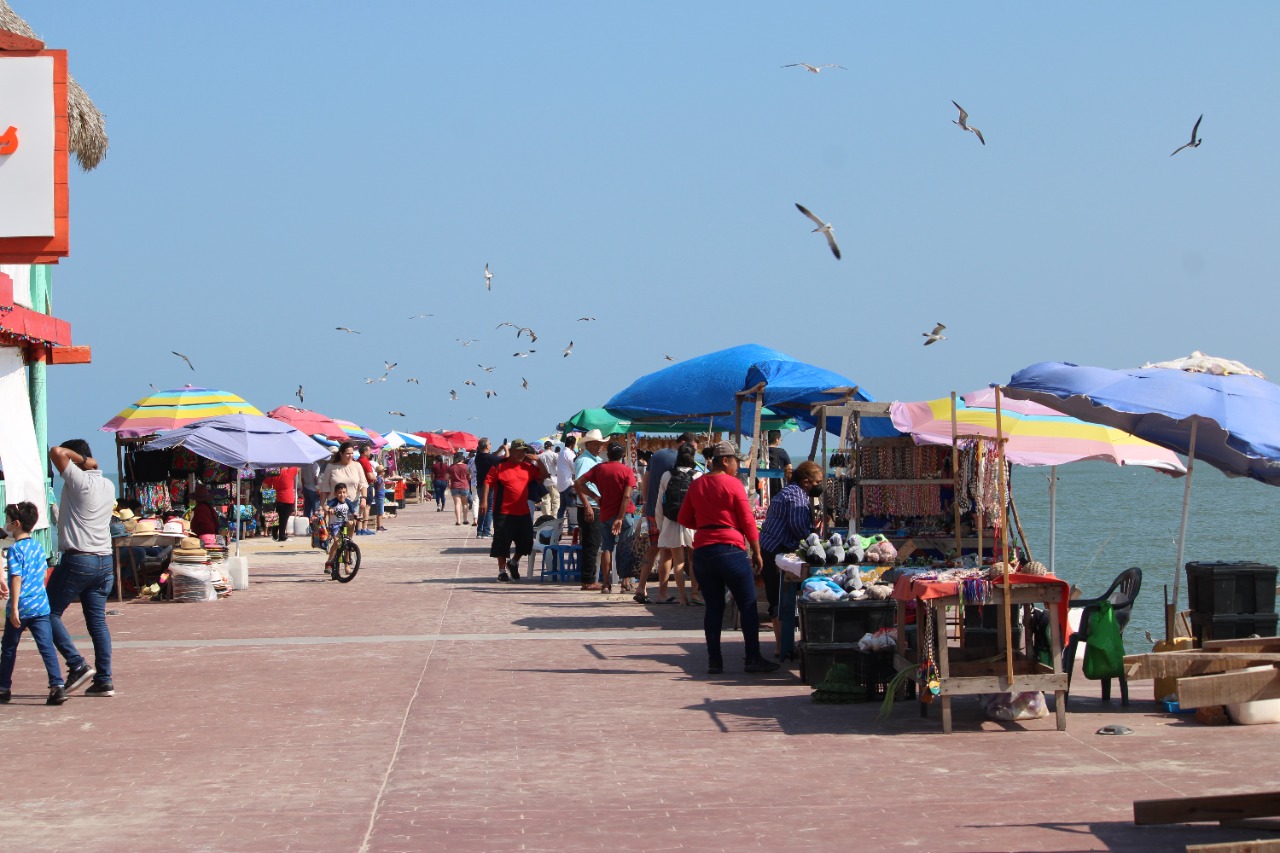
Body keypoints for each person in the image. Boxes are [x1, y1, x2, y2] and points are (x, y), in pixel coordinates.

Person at [676, 440, 780, 675]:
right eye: (736, 461)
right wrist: (757, 551)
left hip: (703, 552)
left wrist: (706, 526)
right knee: (747, 604)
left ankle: (714, 660)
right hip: (730, 550)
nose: (737, 466)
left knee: (713, 608)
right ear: (725, 461)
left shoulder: (697, 484)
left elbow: (684, 518)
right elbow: (747, 520)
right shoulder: (733, 484)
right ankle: (752, 657)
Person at [48, 439, 117, 696]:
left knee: (47, 613)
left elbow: (56, 452)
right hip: (104, 561)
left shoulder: (80, 481)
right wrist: (89, 462)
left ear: (76, 460)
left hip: (79, 559)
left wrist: (84, 461)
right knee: (97, 622)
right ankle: (104, 680)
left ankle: (76, 664)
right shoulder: (108, 484)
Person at [0, 501, 66, 705]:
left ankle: (3, 687)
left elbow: (16, 578)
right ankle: (57, 686)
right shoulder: (38, 547)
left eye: (8, 521)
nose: (6, 524)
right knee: (46, 646)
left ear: (16, 524)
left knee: (9, 647)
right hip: (41, 605)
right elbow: (42, 574)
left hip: (21, 606)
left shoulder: (15, 550)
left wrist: (13, 607)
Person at [759, 461, 824, 653]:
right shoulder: (797, 496)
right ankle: (783, 647)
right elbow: (798, 527)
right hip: (776, 550)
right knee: (780, 597)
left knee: (775, 597)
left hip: (770, 547)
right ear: (806, 482)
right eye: (817, 482)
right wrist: (814, 540)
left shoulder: (788, 491)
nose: (819, 486)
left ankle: (781, 646)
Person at [637, 432, 697, 606]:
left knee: (654, 550)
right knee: (671, 554)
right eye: (692, 448)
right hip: (675, 517)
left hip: (655, 511)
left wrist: (646, 502)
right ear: (684, 443)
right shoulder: (680, 462)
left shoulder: (657, 455)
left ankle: (642, 586)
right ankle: (667, 593)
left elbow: (646, 479)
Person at [479, 439, 549, 583]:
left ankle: (513, 562)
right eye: (518, 451)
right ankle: (502, 571)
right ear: (511, 451)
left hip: (522, 512)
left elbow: (544, 476)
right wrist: (484, 501)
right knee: (502, 542)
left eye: (523, 451)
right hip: (503, 512)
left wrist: (538, 460)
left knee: (527, 542)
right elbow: (487, 482)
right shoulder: (500, 465)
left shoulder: (528, 467)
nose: (521, 454)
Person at [574, 443, 637, 594]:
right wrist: (620, 518)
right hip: (624, 514)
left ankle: (606, 583)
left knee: (606, 548)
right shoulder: (627, 470)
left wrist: (595, 497)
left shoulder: (599, 468)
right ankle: (625, 582)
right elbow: (626, 496)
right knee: (625, 546)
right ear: (622, 455)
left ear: (608, 454)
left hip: (605, 513)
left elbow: (579, 483)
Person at [652, 442, 702, 606]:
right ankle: (694, 593)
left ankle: (682, 597)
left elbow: (660, 503)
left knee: (678, 561)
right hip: (692, 524)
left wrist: (661, 525)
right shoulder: (698, 476)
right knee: (694, 560)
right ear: (693, 457)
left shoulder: (667, 475)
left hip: (672, 522)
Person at [572, 429, 608, 590]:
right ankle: (588, 580)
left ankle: (590, 578)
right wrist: (587, 505)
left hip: (593, 504)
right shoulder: (585, 461)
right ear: (588, 444)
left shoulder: (594, 460)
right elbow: (578, 484)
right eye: (596, 444)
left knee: (593, 543)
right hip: (590, 505)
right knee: (591, 544)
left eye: (601, 444)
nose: (600, 447)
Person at [320, 443, 368, 516]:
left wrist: (364, 498)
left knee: (351, 522)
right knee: (336, 523)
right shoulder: (330, 466)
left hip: (353, 504)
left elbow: (363, 483)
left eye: (352, 453)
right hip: (334, 505)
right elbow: (325, 488)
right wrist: (321, 506)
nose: (350, 456)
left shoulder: (357, 465)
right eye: (348, 453)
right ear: (341, 454)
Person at [323, 483, 359, 574]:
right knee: (337, 543)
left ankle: (347, 566)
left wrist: (357, 516)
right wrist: (329, 510)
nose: (342, 495)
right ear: (335, 494)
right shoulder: (334, 501)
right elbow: (326, 506)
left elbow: (353, 512)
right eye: (339, 493)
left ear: (347, 493)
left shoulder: (348, 502)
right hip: (335, 525)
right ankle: (329, 562)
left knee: (347, 543)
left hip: (344, 524)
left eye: (344, 492)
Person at [471, 439, 502, 537]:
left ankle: (480, 531)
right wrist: (505, 449)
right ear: (487, 446)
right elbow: (506, 460)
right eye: (490, 443)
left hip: (480, 485)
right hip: (489, 485)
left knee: (482, 507)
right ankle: (486, 531)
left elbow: (491, 456)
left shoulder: (478, 457)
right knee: (489, 509)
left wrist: (499, 450)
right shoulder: (491, 458)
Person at [264, 466, 299, 542]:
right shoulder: (290, 471)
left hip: (277, 497)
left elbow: (265, 484)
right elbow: (299, 466)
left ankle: (274, 534)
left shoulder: (273, 472)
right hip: (288, 498)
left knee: (276, 517)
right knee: (284, 519)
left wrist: (271, 490)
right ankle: (282, 535)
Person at [556, 435, 578, 531]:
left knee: (562, 508)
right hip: (568, 484)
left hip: (561, 484)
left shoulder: (561, 452)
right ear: (572, 445)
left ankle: (558, 528)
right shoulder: (569, 453)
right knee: (572, 507)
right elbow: (575, 467)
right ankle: (572, 528)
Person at [356, 448, 378, 534]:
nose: (370, 453)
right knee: (367, 506)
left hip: (359, 485)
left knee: (360, 507)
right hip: (367, 485)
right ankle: (364, 528)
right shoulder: (365, 461)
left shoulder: (358, 461)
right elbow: (370, 475)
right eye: (369, 451)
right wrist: (376, 478)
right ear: (365, 452)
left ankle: (359, 528)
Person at [447, 453, 472, 525]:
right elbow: (469, 477)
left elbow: (446, 477)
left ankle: (458, 520)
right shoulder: (466, 466)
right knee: (465, 503)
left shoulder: (451, 467)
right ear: (462, 459)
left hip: (455, 486)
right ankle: (465, 519)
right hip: (464, 485)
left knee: (457, 504)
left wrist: (452, 478)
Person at [537, 441, 560, 519]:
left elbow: (536, 467)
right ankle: (554, 516)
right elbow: (559, 465)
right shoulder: (555, 455)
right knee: (556, 500)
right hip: (554, 479)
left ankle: (547, 517)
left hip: (543, 481)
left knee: (545, 501)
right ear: (550, 447)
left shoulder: (539, 456)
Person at [766, 429, 792, 499]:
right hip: (778, 485)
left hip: (763, 485)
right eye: (780, 439)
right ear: (776, 439)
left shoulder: (761, 452)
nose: (780, 441)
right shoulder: (781, 452)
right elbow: (789, 468)